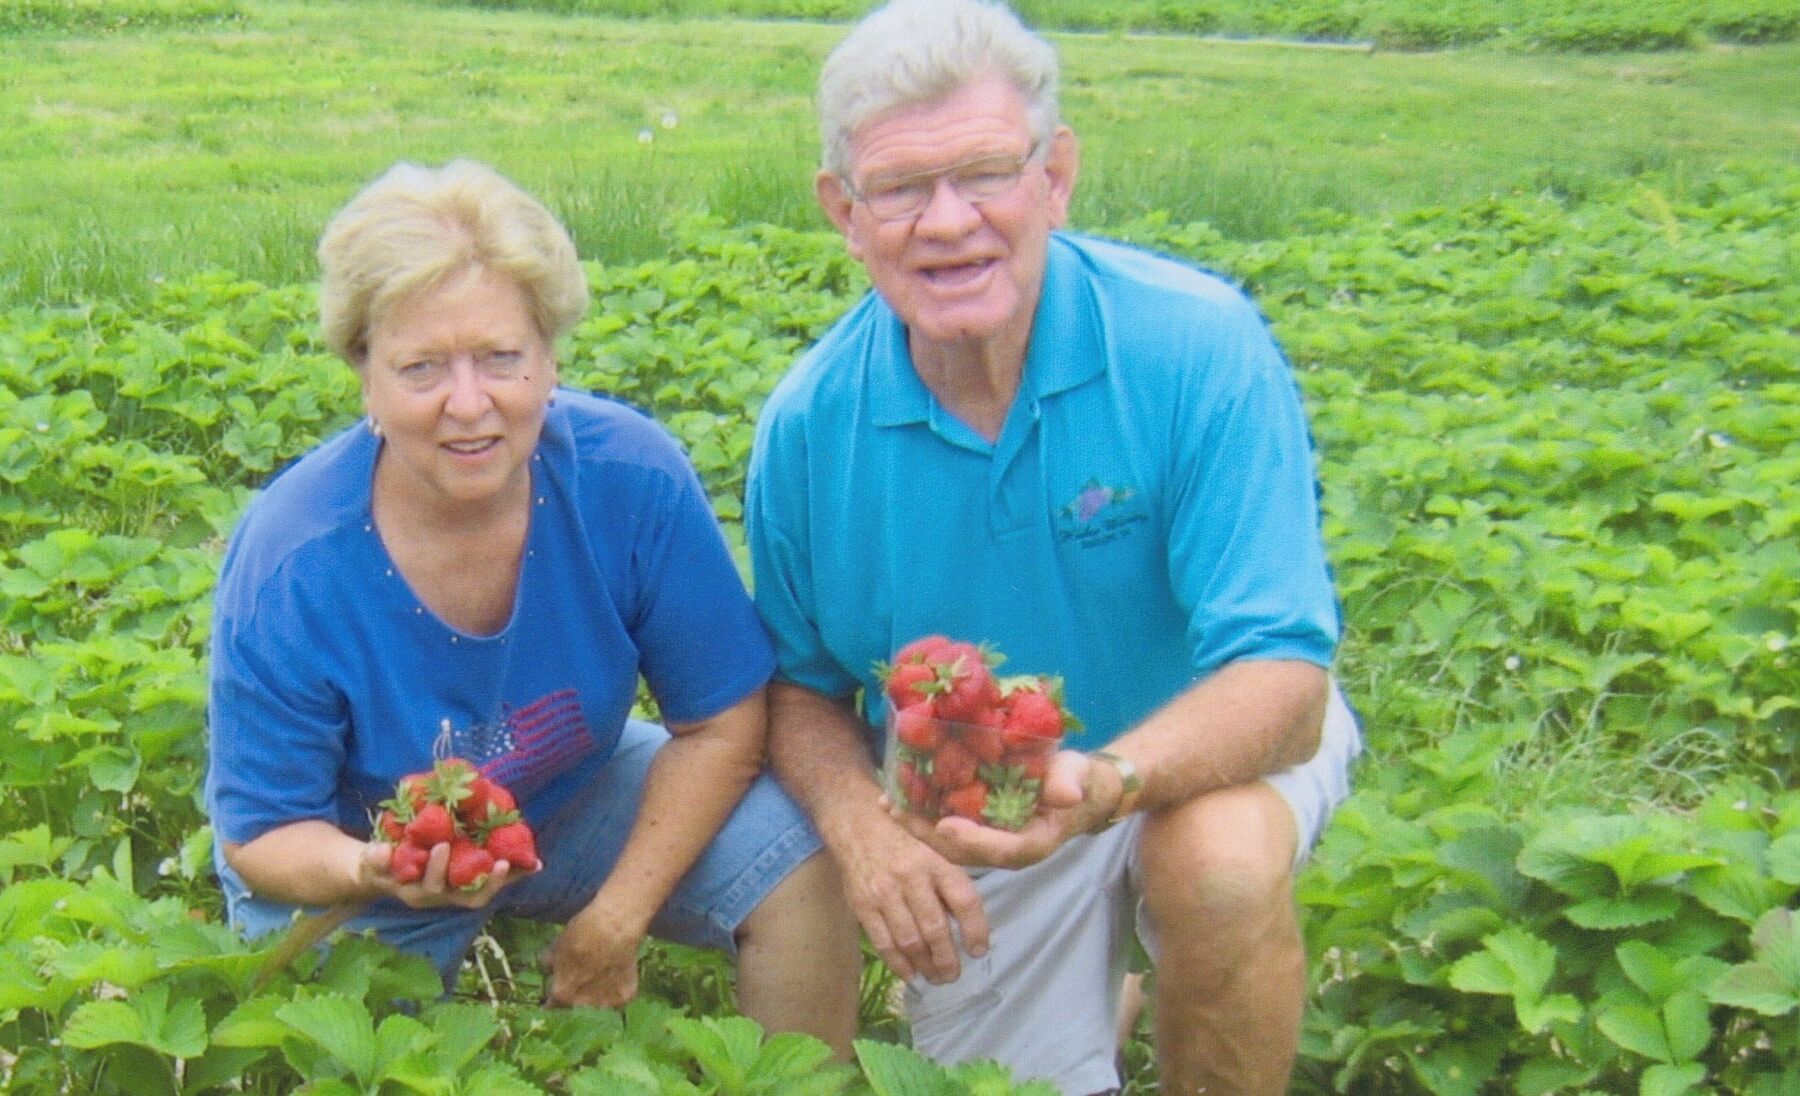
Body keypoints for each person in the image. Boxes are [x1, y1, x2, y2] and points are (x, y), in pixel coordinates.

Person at [744, 1, 1363, 1091]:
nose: (946, 223)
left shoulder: (1193, 345)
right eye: (898, 189)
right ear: (843, 211)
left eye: (985, 172)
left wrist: (1105, 778)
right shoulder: (808, 426)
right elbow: (800, 690)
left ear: (1054, 177)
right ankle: (1105, 991)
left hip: (1200, 738)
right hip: (976, 806)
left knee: (1206, 866)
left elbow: (1283, 677)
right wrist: (863, 828)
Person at [205, 159, 858, 1051]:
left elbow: (723, 721)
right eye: (421, 366)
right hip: (357, 848)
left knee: (797, 856)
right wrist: (376, 866)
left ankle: (797, 1078)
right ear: (364, 373)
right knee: (363, 1051)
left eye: (502, 358)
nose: (468, 404)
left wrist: (618, 914)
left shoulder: (626, 477)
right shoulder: (295, 561)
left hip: (565, 790)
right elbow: (264, 830)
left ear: (551, 359)